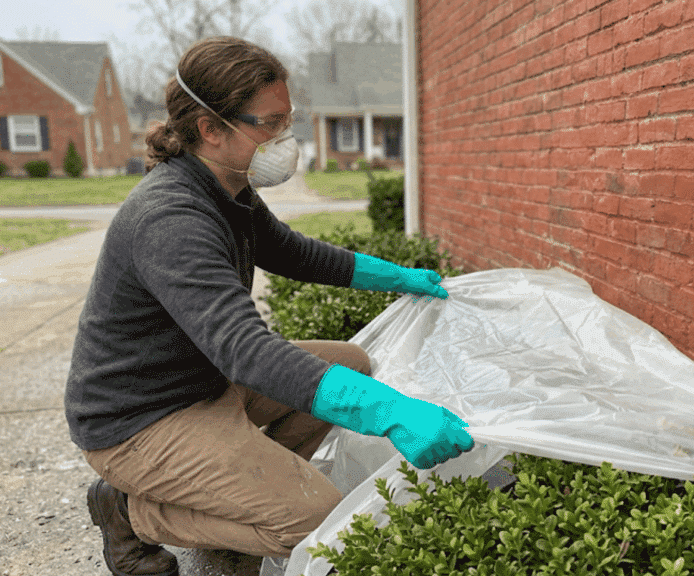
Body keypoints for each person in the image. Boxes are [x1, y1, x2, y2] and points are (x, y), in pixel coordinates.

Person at [64, 36, 474, 576]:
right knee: (320, 523)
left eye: (288, 120)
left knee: (350, 362)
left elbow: (292, 252)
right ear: (212, 129)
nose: (286, 138)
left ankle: (243, 506)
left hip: (198, 380)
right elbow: (249, 353)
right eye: (270, 123)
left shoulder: (225, 187)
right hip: (140, 418)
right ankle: (130, 511)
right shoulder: (171, 219)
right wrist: (391, 412)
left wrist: (401, 277)